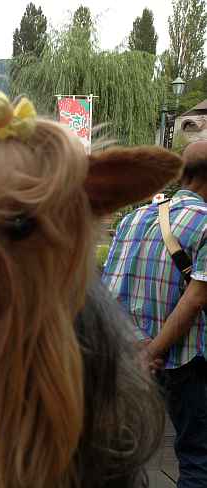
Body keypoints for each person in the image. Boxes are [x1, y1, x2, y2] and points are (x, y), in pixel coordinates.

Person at [103, 140, 207, 488]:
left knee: (119, 454)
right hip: (182, 360)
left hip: (125, 356)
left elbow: (111, 285)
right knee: (198, 458)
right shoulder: (205, 222)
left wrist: (134, 348)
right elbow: (195, 299)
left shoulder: (135, 216)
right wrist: (153, 351)